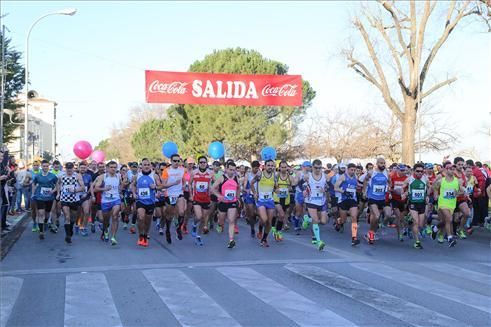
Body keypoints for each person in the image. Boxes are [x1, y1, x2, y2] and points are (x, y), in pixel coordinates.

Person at [433, 162, 466, 247]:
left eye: (453, 169)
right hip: (442, 203)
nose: (452, 171)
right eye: (450, 169)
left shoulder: (457, 181)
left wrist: (457, 194)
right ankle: (450, 238)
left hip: (452, 204)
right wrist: (436, 195)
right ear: (446, 170)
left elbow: (462, 191)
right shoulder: (441, 180)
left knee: (445, 221)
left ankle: (436, 228)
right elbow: (435, 187)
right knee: (449, 219)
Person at [131, 158, 160, 247]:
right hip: (140, 200)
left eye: (148, 165)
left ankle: (145, 234)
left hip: (150, 201)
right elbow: (133, 185)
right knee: (140, 217)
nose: (147, 166)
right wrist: (134, 193)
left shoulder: (154, 176)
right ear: (141, 166)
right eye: (145, 165)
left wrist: (155, 188)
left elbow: (160, 186)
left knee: (148, 221)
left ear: (150, 166)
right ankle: (140, 235)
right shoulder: (137, 176)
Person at [212, 161, 240, 248]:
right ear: (226, 169)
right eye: (230, 170)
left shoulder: (236, 178)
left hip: (232, 202)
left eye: (234, 170)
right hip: (223, 202)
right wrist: (219, 196)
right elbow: (212, 189)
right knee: (221, 220)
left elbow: (238, 188)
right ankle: (220, 223)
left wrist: (238, 199)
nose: (232, 172)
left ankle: (231, 240)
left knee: (231, 221)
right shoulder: (222, 178)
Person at [93, 161, 122, 245]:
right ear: (107, 168)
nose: (113, 169)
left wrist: (120, 192)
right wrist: (104, 189)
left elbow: (120, 186)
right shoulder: (102, 177)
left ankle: (113, 237)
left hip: (116, 200)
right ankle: (105, 230)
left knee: (115, 216)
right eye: (111, 167)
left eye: (115, 167)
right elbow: (95, 189)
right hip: (105, 201)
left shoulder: (118, 176)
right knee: (105, 220)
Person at [362, 157, 390, 245]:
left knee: (380, 217)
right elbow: (365, 181)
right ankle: (371, 233)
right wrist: (364, 191)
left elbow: (389, 182)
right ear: (377, 164)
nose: (383, 165)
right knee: (377, 216)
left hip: (382, 198)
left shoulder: (387, 173)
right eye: (381, 163)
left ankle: (371, 233)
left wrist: (388, 189)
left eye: (384, 163)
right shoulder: (371, 172)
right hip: (372, 197)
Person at [303, 159, 328, 251]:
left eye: (319, 168)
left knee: (324, 221)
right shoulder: (307, 176)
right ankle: (319, 241)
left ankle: (307, 219)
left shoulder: (325, 176)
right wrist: (304, 191)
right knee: (316, 220)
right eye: (316, 168)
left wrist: (325, 190)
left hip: (321, 201)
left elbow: (328, 187)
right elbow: (300, 184)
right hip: (311, 200)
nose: (318, 169)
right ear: (312, 167)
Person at [251, 159, 277, 247]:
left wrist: (277, 190)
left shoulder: (274, 176)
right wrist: (255, 193)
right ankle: (260, 229)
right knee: (264, 219)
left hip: (270, 200)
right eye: (268, 165)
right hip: (261, 200)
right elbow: (251, 183)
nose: (270, 167)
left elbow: (276, 187)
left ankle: (264, 239)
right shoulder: (260, 174)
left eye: (272, 165)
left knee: (269, 222)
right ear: (265, 166)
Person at [402, 163, 428, 249]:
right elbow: (403, 187)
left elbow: (430, 187)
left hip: (422, 203)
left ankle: (410, 222)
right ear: (414, 171)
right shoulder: (409, 179)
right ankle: (417, 241)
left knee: (420, 224)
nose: (420, 173)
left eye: (422, 171)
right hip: (413, 203)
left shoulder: (425, 179)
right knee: (416, 222)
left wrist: (427, 196)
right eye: (418, 171)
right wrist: (404, 194)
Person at [57, 162, 85, 244]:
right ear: (65, 168)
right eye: (67, 168)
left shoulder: (77, 176)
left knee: (73, 218)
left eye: (70, 168)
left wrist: (75, 190)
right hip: (64, 199)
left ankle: (71, 228)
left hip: (74, 200)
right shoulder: (61, 175)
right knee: (67, 216)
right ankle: (68, 235)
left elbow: (83, 187)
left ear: (73, 168)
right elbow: (58, 184)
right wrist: (58, 193)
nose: (69, 170)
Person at [334, 163, 361, 246]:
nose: (353, 172)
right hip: (343, 200)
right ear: (347, 169)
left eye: (354, 170)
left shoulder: (355, 177)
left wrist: (363, 185)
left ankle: (354, 238)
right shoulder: (343, 177)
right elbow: (335, 187)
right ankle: (338, 222)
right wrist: (344, 192)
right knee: (344, 220)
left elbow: (356, 185)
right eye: (351, 170)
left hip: (352, 200)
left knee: (354, 217)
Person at [31, 160, 58, 240]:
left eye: (47, 166)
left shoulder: (53, 176)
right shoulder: (38, 176)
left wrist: (53, 191)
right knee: (41, 213)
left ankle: (46, 222)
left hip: (49, 197)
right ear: (41, 167)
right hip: (40, 197)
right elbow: (33, 184)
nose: (45, 167)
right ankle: (41, 232)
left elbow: (57, 185)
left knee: (47, 214)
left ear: (49, 166)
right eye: (44, 166)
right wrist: (33, 193)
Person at [161, 154, 186, 241]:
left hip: (179, 193)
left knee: (182, 212)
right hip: (170, 194)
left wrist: (184, 185)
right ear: (171, 161)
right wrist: (174, 183)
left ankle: (178, 229)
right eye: (174, 161)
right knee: (169, 215)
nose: (176, 162)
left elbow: (184, 180)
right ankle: (167, 230)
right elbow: (163, 185)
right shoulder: (166, 171)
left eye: (178, 161)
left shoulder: (182, 170)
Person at [190, 156, 212, 246]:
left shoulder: (210, 173)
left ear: (206, 163)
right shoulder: (194, 173)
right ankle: (194, 224)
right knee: (199, 216)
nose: (203, 164)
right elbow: (189, 183)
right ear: (198, 163)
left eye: (204, 162)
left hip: (206, 198)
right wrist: (191, 195)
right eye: (201, 162)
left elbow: (215, 183)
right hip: (196, 198)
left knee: (203, 219)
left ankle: (198, 236)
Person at [272, 161, 294, 241]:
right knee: (281, 214)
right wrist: (276, 189)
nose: (284, 169)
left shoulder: (290, 177)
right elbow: (271, 186)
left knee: (282, 216)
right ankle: (277, 230)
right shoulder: (276, 176)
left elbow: (292, 188)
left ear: (287, 167)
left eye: (285, 167)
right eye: (282, 167)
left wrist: (288, 189)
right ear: (279, 168)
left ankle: (277, 230)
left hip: (285, 199)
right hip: (277, 198)